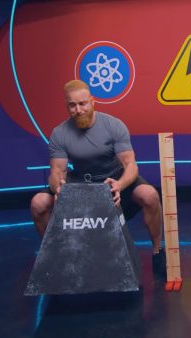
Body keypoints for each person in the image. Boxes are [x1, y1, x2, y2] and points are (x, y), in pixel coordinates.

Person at [30, 80, 165, 276]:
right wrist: (60, 189)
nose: (78, 110)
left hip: (113, 179)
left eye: (83, 103)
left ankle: (157, 251)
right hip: (81, 182)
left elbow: (130, 165)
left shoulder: (113, 125)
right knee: (38, 203)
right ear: (67, 106)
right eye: (72, 105)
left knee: (150, 195)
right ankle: (55, 256)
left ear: (93, 102)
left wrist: (119, 184)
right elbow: (56, 173)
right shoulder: (59, 133)